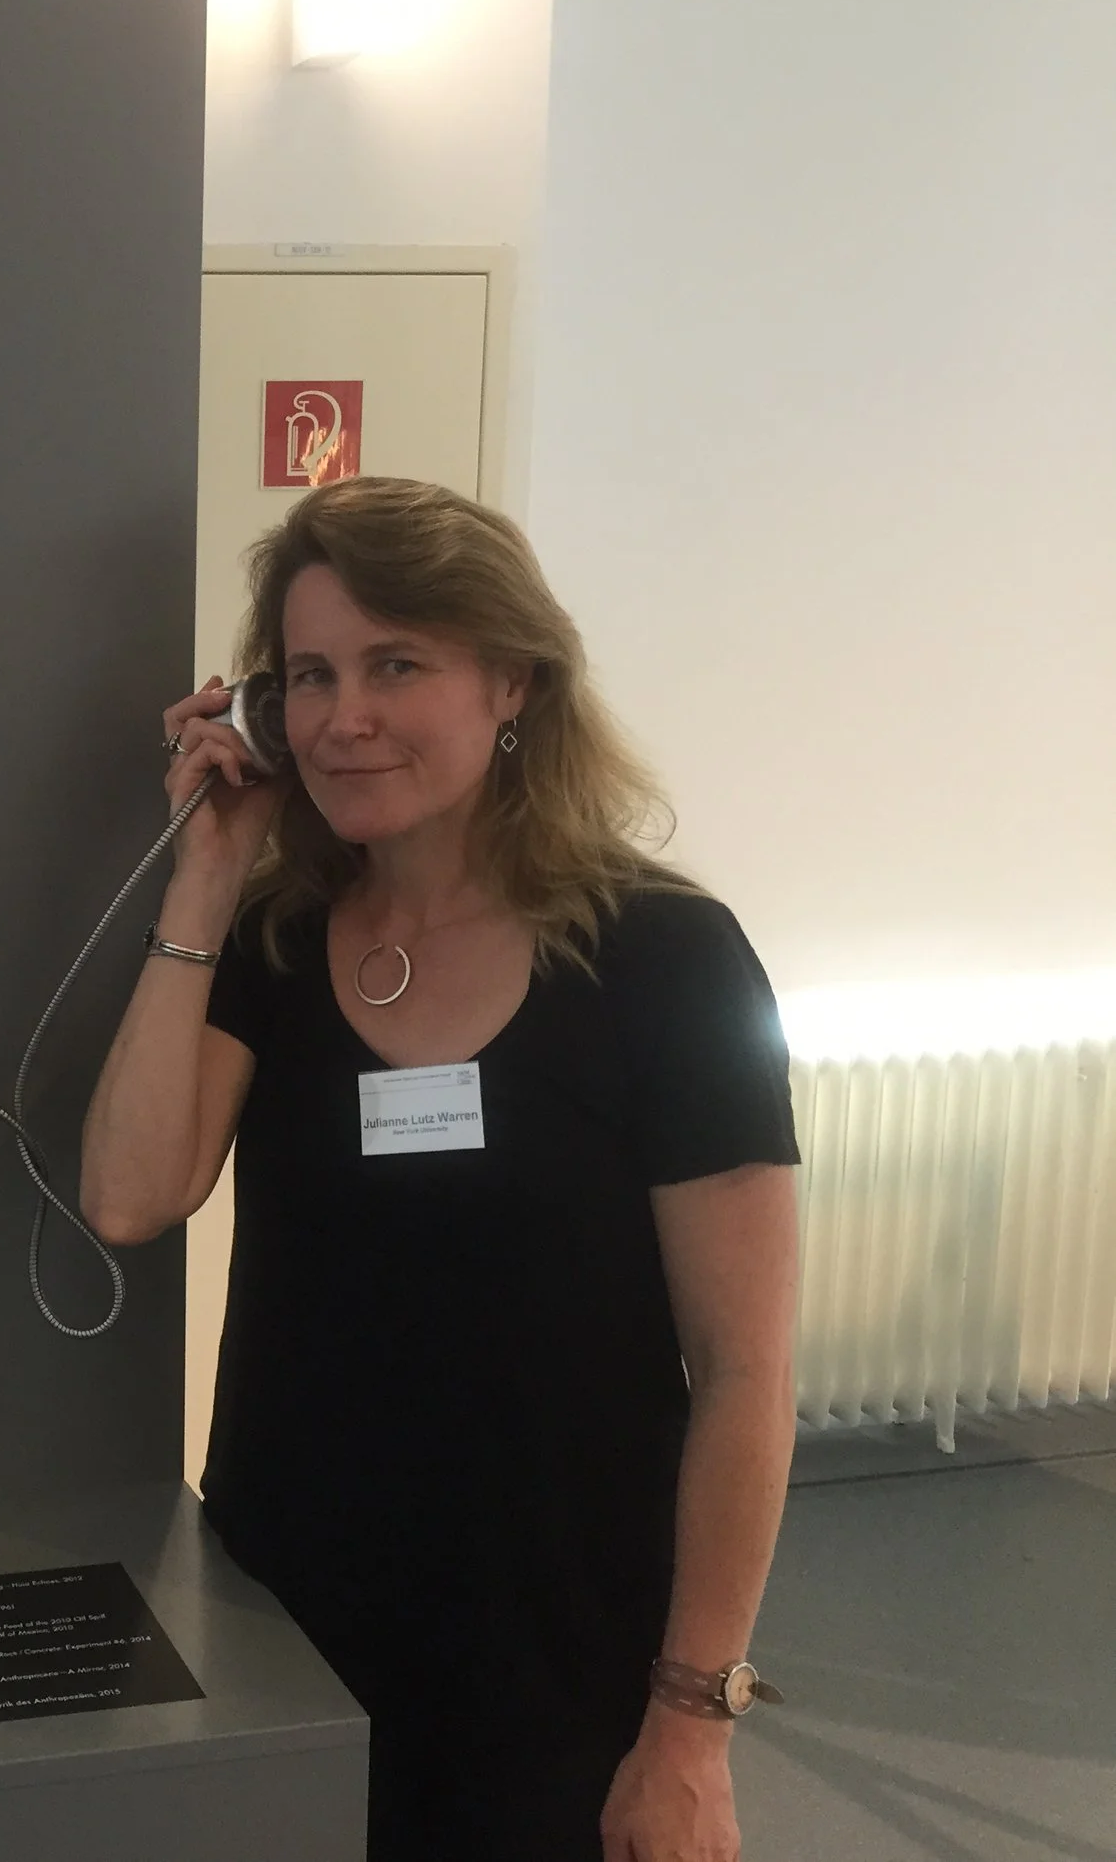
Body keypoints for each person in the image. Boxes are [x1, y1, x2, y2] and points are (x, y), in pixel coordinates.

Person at [80, 477, 801, 1862]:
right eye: (309, 674)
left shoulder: (665, 959)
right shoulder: (281, 940)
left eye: (396, 663)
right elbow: (127, 1193)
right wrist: (205, 879)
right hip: (292, 1627)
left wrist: (693, 1721)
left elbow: (749, 1372)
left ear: (513, 680)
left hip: (562, 1650)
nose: (344, 715)